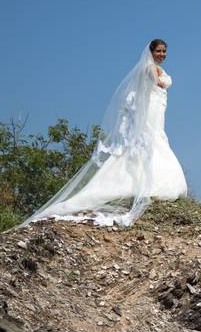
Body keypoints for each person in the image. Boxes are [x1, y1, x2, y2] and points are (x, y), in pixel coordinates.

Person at [20, 39, 188, 227]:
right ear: (151, 52)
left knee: (154, 139)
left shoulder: (152, 67)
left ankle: (142, 179)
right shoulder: (149, 67)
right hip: (150, 112)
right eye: (159, 51)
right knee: (152, 140)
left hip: (156, 110)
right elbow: (154, 81)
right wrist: (158, 82)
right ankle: (145, 183)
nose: (162, 54)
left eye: (164, 51)